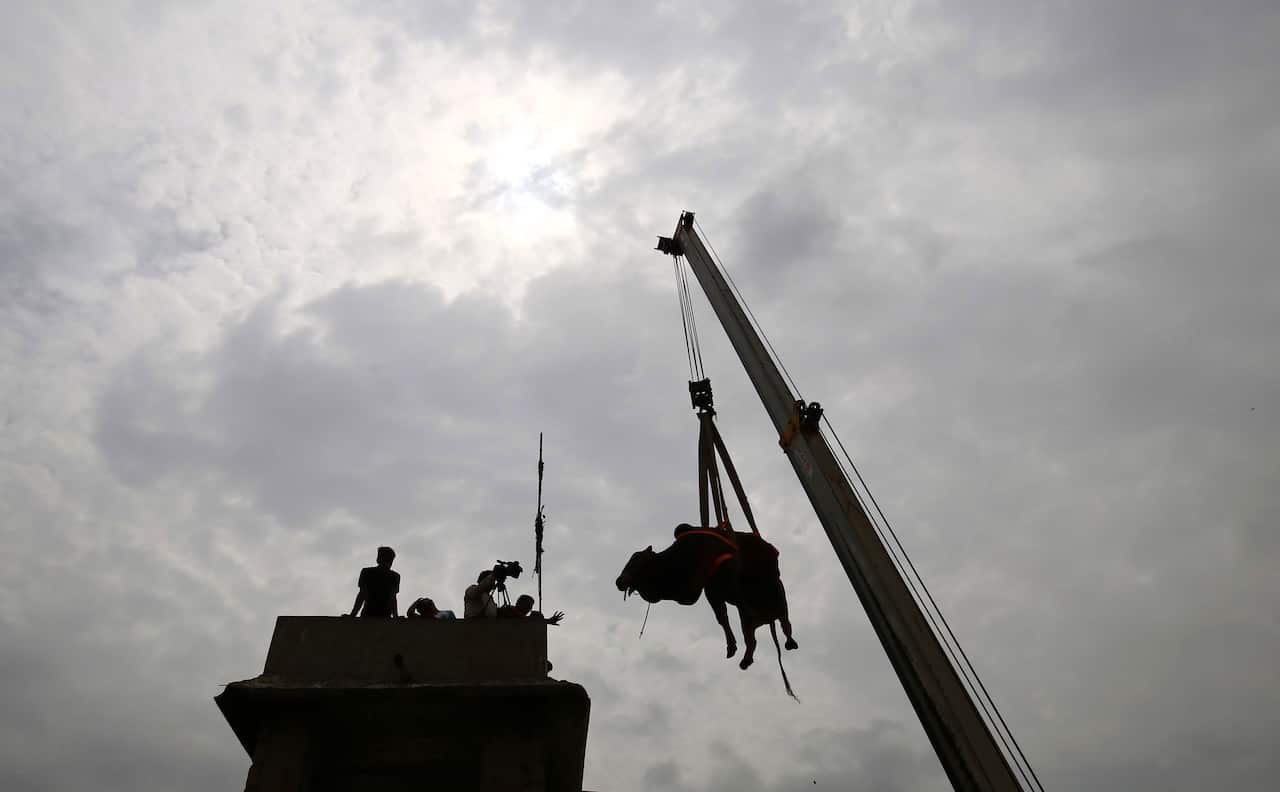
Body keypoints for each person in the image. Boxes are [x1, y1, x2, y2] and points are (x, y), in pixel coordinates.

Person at [349, 546, 400, 618]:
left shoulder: (366, 572)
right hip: (385, 616)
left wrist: (352, 615)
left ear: (378, 559)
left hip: (368, 614)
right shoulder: (395, 576)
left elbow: (362, 595)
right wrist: (395, 616)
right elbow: (393, 598)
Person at [498, 594, 565, 626]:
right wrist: (547, 621)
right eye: (528, 605)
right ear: (519, 603)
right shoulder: (509, 609)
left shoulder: (524, 620)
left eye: (530, 606)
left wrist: (544, 621)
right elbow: (523, 618)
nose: (529, 609)